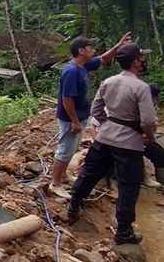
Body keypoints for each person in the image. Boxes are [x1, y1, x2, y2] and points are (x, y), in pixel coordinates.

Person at [66, 43, 156, 244]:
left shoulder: (108, 82)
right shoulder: (141, 88)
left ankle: (73, 205)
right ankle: (123, 231)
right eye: (141, 59)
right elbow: (148, 121)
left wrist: (108, 125)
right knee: (128, 185)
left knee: (89, 172)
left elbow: (96, 109)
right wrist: (148, 136)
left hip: (105, 137)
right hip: (129, 142)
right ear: (135, 62)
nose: (143, 62)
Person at [50, 33, 132, 199]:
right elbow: (67, 99)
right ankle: (55, 183)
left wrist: (118, 46)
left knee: (71, 148)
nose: (94, 50)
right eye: (90, 48)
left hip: (79, 116)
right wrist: (74, 121)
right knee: (65, 150)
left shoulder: (83, 66)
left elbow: (102, 59)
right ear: (81, 51)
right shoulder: (71, 71)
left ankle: (64, 175)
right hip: (69, 119)